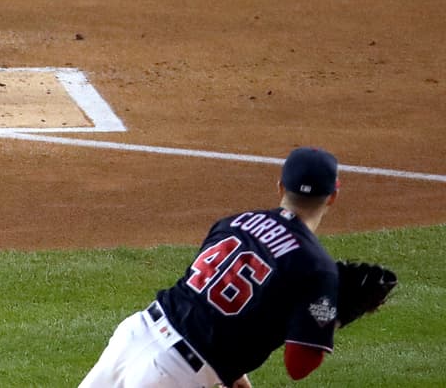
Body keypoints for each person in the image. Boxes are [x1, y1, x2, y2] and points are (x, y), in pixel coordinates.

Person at [79, 147, 345, 388]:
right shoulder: (317, 267)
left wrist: (233, 374)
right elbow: (298, 365)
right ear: (333, 195)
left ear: (280, 187)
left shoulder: (235, 223)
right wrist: (328, 322)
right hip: (172, 375)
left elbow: (205, 300)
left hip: (134, 334)